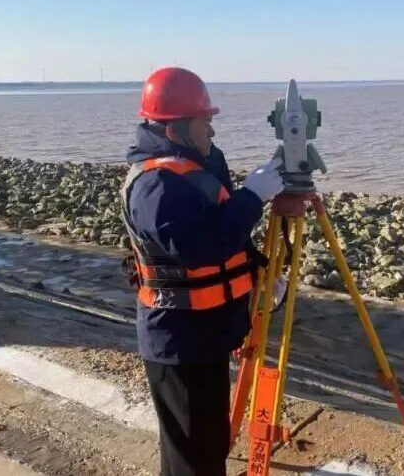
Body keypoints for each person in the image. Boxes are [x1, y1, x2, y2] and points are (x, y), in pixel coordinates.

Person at [120, 67, 284, 476]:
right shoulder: (155, 185)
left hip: (203, 335)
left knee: (201, 451)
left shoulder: (194, 166)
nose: (211, 131)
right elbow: (199, 247)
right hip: (179, 342)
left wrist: (259, 272)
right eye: (204, 122)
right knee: (196, 459)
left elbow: (222, 229)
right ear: (173, 130)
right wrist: (253, 197)